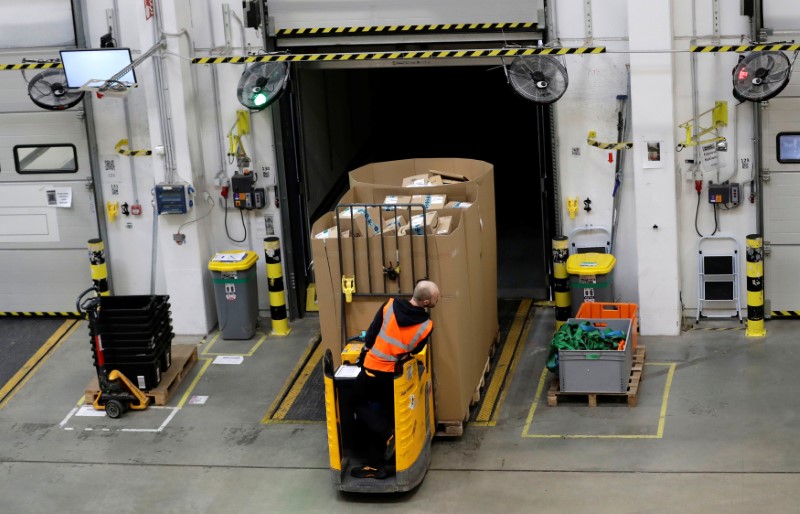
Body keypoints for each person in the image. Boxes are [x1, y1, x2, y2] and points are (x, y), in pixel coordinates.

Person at [350, 280, 440, 479]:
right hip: (394, 376)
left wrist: (366, 352)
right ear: (426, 301)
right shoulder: (426, 326)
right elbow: (415, 349)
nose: (437, 300)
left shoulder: (389, 305)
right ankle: (382, 463)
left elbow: (372, 334)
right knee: (384, 413)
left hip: (372, 371)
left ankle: (384, 442)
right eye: (436, 298)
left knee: (356, 403)